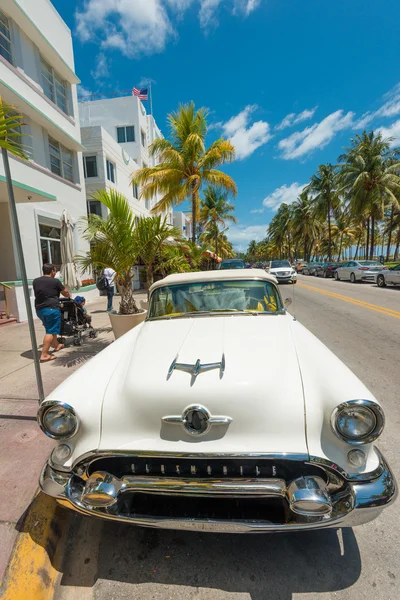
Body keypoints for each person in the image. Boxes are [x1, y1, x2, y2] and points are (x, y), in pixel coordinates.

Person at [33, 264, 71, 362]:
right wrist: (68, 293)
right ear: (53, 271)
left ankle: (57, 345)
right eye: (55, 271)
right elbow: (64, 293)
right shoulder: (55, 281)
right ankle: (44, 354)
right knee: (50, 331)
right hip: (51, 309)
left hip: (39, 309)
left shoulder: (35, 281)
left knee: (50, 328)